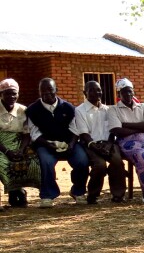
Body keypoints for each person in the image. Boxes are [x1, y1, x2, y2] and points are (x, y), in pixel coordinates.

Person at [26, 78, 89, 207]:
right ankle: (48, 195)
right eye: (42, 91)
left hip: (68, 143)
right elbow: (34, 133)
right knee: (46, 162)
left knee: (82, 160)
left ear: (56, 90)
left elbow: (74, 129)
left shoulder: (68, 107)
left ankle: (78, 191)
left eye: (50, 89)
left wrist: (71, 144)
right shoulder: (32, 110)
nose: (46, 93)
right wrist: (48, 144)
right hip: (45, 144)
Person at [73, 81, 127, 203]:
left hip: (108, 143)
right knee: (100, 165)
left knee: (117, 162)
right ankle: (93, 195)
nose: (96, 93)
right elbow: (84, 133)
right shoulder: (80, 110)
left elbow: (113, 129)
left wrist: (108, 144)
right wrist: (95, 146)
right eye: (91, 90)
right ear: (84, 93)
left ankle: (118, 195)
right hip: (90, 145)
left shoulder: (108, 109)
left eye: (98, 90)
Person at [0, 78, 40, 206]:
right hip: (1, 146)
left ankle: (17, 192)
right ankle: (16, 192)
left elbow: (26, 134)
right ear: (1, 94)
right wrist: (7, 151)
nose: (11, 96)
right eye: (7, 93)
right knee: (2, 163)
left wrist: (21, 150)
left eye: (14, 93)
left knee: (33, 162)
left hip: (19, 144)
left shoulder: (23, 110)